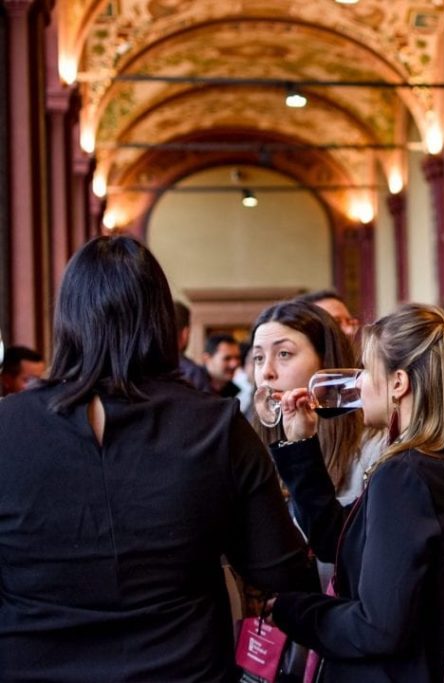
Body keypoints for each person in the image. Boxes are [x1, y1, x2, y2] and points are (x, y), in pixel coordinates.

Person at [0, 235, 317, 681]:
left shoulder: (6, 428)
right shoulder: (215, 425)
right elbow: (283, 572)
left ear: (66, 320)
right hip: (182, 668)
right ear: (160, 319)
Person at [267, 304, 444, 681]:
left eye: (367, 369)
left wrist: (293, 611)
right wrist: (302, 445)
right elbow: (339, 539)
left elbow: (377, 628)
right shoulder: (435, 461)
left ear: (399, 383)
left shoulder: (405, 473)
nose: (359, 383)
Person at [250, 300, 367, 504]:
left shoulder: (370, 445)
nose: (266, 372)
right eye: (258, 358)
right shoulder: (252, 444)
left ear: (325, 361)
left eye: (284, 354)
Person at [200, 334, 243, 399]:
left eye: (237, 358)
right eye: (227, 358)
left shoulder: (233, 392)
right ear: (207, 359)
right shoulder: (192, 387)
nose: (234, 364)